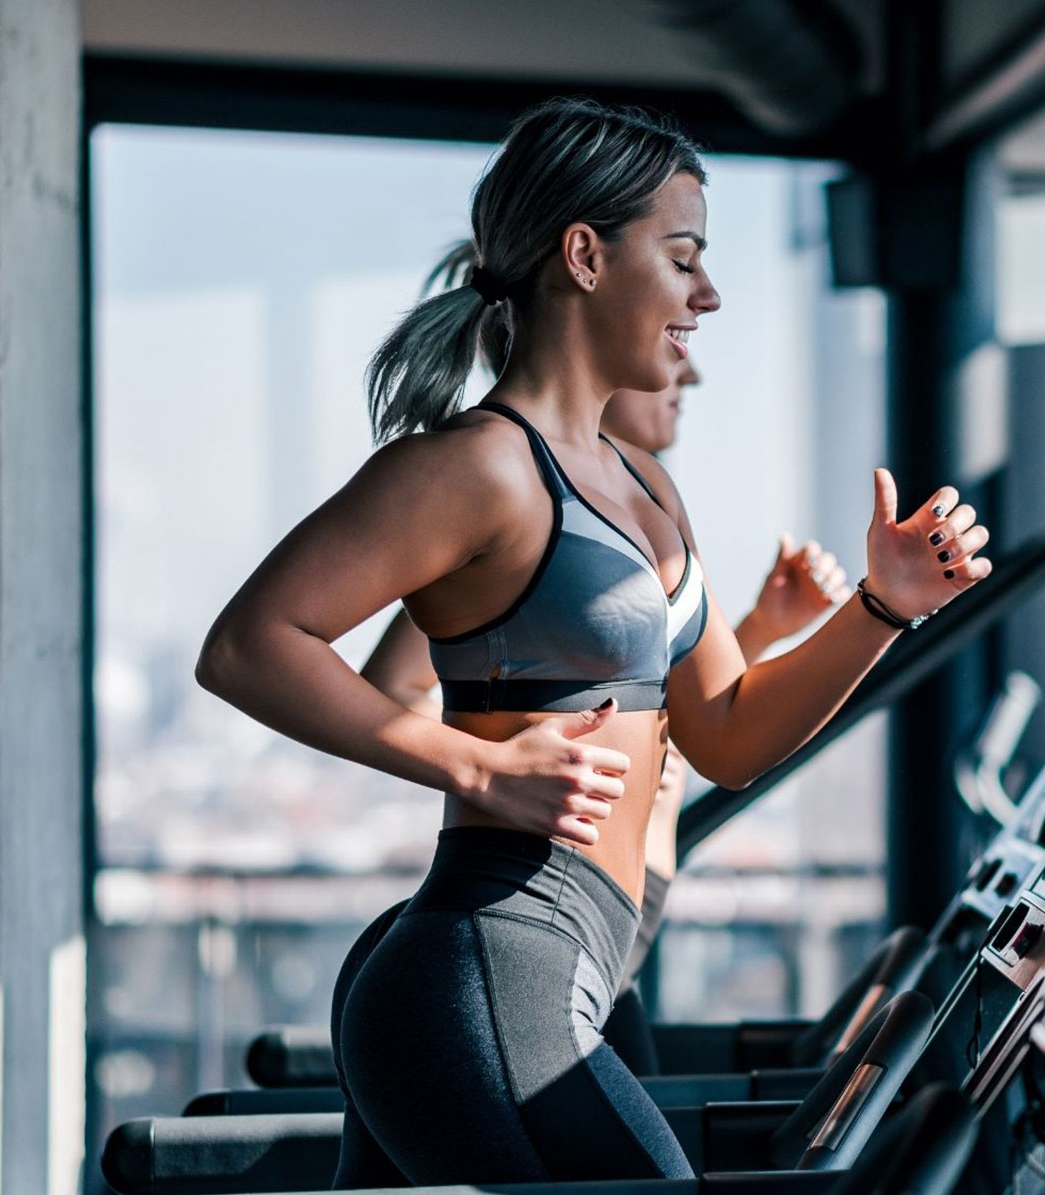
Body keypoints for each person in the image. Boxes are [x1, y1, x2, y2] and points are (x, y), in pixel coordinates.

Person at [196, 98, 990, 1187]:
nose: (706, 295)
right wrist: (474, 760)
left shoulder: (649, 486)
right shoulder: (478, 466)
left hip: (570, 967)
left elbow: (728, 734)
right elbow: (249, 645)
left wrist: (883, 608)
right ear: (584, 254)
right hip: (488, 960)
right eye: (681, 257)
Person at [357, 355, 851, 1030]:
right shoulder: (516, 515)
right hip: (534, 913)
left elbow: (690, 713)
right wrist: (491, 767)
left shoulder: (643, 501)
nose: (692, 378)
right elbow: (400, 681)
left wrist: (764, 627)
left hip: (615, 918)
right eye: (677, 358)